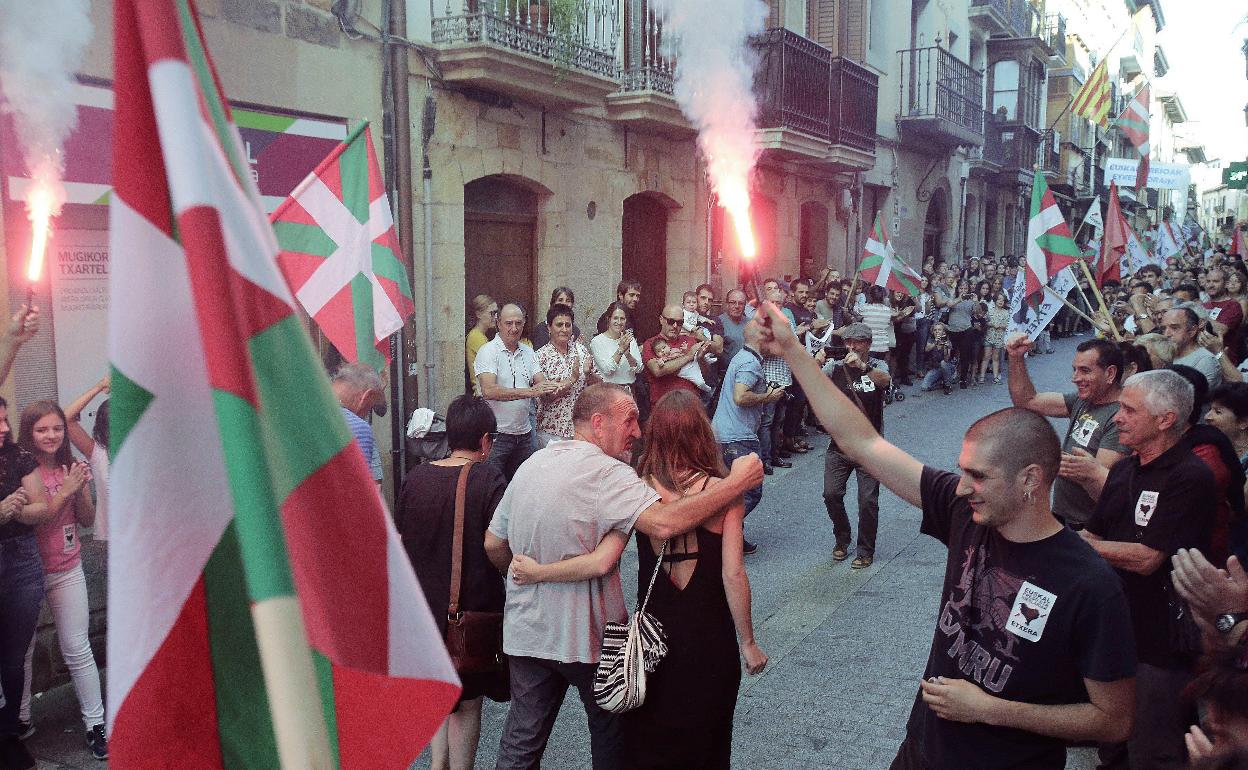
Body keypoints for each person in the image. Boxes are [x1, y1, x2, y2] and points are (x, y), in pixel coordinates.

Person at [752, 302, 1135, 770]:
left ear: (1030, 480)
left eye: (978, 475)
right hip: (922, 750)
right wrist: (792, 349)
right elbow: (863, 442)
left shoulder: (1089, 584)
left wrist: (991, 710)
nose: (961, 486)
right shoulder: (964, 512)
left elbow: (1113, 721)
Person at [484, 383, 763, 770]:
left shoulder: (534, 464)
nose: (637, 430)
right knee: (614, 734)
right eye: (629, 420)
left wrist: (528, 576)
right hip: (592, 635)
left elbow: (494, 544)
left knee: (521, 742)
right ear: (598, 423)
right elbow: (670, 532)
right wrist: (736, 484)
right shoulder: (613, 476)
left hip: (531, 630)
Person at [1082, 369, 1218, 770]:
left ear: (1166, 419)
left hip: (1160, 642)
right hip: (1113, 630)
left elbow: (1147, 558)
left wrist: (1082, 545)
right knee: (1112, 739)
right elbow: (1094, 531)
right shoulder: (1124, 468)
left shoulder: (1191, 477)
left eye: (1128, 409)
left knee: (1154, 745)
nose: (1116, 418)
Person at [396, 396, 509, 770]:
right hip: (468, 605)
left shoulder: (416, 478)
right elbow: (497, 542)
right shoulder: (487, 476)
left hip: (422, 607)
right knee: (468, 702)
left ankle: (437, 763)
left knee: (440, 692)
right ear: (485, 441)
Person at [16, 402, 105, 760]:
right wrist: (65, 489)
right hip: (28, 572)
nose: (51, 435)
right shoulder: (21, 471)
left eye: (56, 428)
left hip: (67, 569)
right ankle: (20, 718)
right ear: (29, 433)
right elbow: (35, 521)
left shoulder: (69, 467)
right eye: (42, 430)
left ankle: (96, 724)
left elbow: (85, 520)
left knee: (77, 647)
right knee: (21, 651)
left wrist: (81, 488)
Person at [1006, 337, 1126, 529]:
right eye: (1074, 369)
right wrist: (1016, 357)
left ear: (1110, 373)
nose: (1075, 378)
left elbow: (1100, 479)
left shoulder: (1122, 416)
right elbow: (1028, 401)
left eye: (1085, 370)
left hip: (1091, 527)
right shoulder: (1085, 399)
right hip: (1064, 517)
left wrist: (1049, 460)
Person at [0, 304, 42, 770]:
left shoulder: (16, 457)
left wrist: (11, 340)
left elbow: (40, 510)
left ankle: (9, 733)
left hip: (19, 561)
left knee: (13, 658)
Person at [818, 323, 889, 569]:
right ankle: (842, 536)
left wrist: (863, 367)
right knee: (831, 494)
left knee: (868, 501)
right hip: (839, 446)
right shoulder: (835, 367)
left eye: (857, 342)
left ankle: (865, 550)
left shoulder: (878, 366)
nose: (852, 347)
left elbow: (885, 381)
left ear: (868, 344)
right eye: (848, 342)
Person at [711, 318, 784, 551]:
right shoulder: (750, 363)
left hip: (725, 436)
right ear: (761, 338)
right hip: (738, 439)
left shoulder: (742, 358)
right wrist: (768, 397)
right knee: (751, 491)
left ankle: (733, 539)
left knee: (731, 491)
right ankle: (722, 532)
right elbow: (741, 397)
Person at [475, 304, 557, 480]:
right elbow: (489, 390)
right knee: (492, 488)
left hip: (524, 435)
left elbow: (541, 383)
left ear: (524, 323)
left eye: (518, 323)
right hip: (496, 437)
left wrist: (560, 384)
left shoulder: (528, 352)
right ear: (498, 323)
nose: (514, 328)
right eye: (509, 323)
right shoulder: (488, 351)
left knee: (521, 489)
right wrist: (531, 392)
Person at [535, 304, 600, 447]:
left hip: (580, 429)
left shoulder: (581, 350)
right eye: (559, 325)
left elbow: (599, 385)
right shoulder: (540, 357)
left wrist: (589, 375)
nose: (564, 329)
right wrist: (571, 380)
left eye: (568, 325)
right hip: (552, 432)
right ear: (549, 328)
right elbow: (545, 397)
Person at [641, 304, 708, 411]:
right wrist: (688, 356)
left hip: (690, 405)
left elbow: (704, 374)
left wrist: (701, 359)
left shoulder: (690, 340)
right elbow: (657, 370)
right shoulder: (651, 344)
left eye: (680, 322)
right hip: (664, 407)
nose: (675, 326)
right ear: (661, 320)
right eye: (671, 321)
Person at [331, 362, 387, 486]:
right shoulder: (359, 427)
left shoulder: (305, 413)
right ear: (366, 396)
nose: (364, 415)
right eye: (369, 408)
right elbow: (357, 490)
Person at [1162, 306, 1222, 389]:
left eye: (1175, 328)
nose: (1166, 334)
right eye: (1163, 328)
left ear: (1192, 331)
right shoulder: (1165, 354)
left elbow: (1194, 398)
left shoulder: (1205, 360)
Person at [589, 302, 643, 395]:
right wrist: (621, 350)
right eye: (615, 318)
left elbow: (639, 368)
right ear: (608, 319)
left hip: (629, 391)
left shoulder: (630, 339)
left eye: (622, 319)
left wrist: (628, 355)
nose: (619, 322)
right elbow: (608, 370)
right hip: (608, 392)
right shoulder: (597, 341)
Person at [467, 294, 499, 395]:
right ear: (479, 314)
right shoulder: (476, 337)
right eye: (492, 313)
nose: (495, 317)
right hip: (482, 392)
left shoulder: (480, 336)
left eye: (496, 313)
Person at [920, 321, 956, 395]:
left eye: (939, 330)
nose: (937, 332)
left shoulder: (948, 342)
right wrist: (935, 343)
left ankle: (947, 385)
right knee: (924, 387)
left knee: (943, 363)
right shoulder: (931, 340)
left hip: (948, 367)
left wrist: (945, 348)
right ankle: (940, 383)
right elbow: (926, 349)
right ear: (932, 332)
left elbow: (947, 359)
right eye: (935, 330)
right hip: (935, 368)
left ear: (943, 332)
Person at [981, 293, 1010, 384]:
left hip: (999, 338)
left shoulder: (1006, 312)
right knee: (986, 356)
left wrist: (1000, 326)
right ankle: (982, 376)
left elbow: (1007, 325)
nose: (1001, 301)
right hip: (989, 336)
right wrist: (992, 324)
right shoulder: (990, 310)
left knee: (996, 357)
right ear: (995, 300)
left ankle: (995, 377)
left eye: (1002, 300)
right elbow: (984, 322)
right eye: (999, 299)